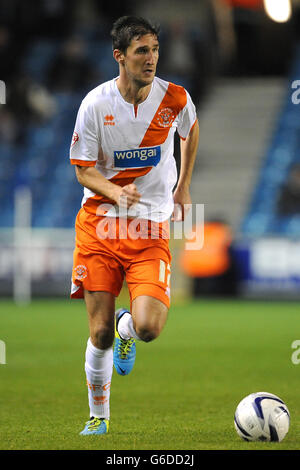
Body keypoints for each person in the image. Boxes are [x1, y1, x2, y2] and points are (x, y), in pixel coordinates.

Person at [69, 15, 199, 435]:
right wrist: (114, 192)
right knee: (100, 332)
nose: (152, 59)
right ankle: (98, 417)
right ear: (119, 56)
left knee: (148, 328)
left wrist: (182, 186)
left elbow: (191, 129)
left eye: (155, 49)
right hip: (100, 227)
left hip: (148, 229)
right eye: (142, 51)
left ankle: (130, 326)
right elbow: (83, 171)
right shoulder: (95, 105)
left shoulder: (174, 97)